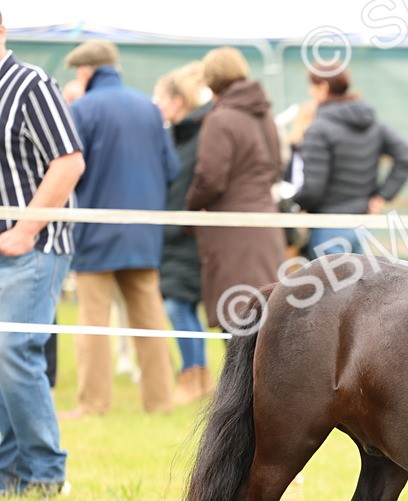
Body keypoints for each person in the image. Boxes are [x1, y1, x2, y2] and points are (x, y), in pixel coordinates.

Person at [59, 40, 180, 418]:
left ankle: (93, 404)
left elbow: (69, 169)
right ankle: (160, 401)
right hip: (144, 231)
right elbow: (172, 169)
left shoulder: (81, 109)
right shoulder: (149, 108)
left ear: (84, 71)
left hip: (96, 231)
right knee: (150, 320)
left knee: (93, 321)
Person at [0, 13, 86, 496]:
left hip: (35, 245)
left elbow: (69, 160)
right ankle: (11, 473)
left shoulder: (30, 84)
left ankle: (46, 473)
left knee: (15, 352)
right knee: (2, 358)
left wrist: (25, 227)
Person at [186, 47, 285, 332]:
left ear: (211, 79)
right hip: (267, 226)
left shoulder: (220, 119)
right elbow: (276, 167)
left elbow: (210, 178)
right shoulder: (265, 116)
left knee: (237, 325)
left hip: (232, 232)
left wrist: (191, 206)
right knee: (265, 322)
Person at [292, 63, 408, 259]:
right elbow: (406, 155)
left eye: (312, 86)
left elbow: (313, 189)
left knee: (328, 289)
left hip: (328, 227)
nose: (310, 91)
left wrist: (292, 204)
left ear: (324, 87)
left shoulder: (318, 129)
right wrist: (382, 196)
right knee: (356, 288)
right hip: (361, 224)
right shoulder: (373, 124)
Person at [154, 61, 214, 404]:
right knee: (181, 306)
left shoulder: (197, 135)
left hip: (187, 235)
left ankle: (194, 376)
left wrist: (181, 223)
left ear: (178, 101)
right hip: (177, 232)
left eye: (162, 98)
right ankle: (197, 376)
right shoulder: (180, 135)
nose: (159, 106)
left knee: (179, 305)